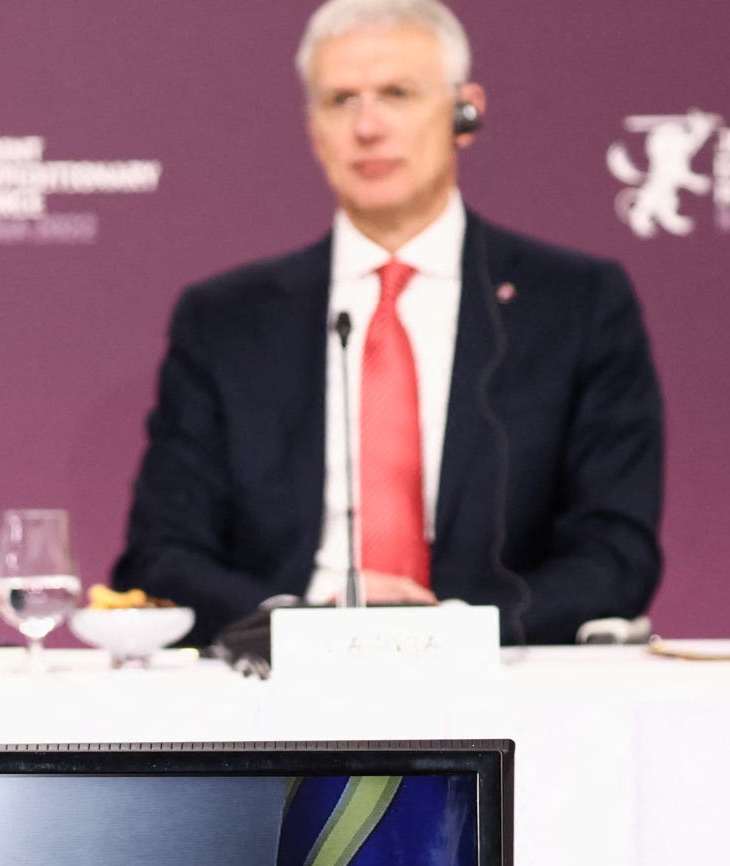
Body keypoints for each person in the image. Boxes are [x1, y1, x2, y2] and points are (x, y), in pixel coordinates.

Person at [112, 0, 664, 648]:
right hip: (277, 680)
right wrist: (305, 624)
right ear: (314, 129)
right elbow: (161, 556)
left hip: (499, 676)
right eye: (340, 100)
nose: (367, 126)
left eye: (398, 93)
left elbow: (616, 553)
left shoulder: (576, 303)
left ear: (466, 112)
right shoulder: (225, 320)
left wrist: (450, 633)